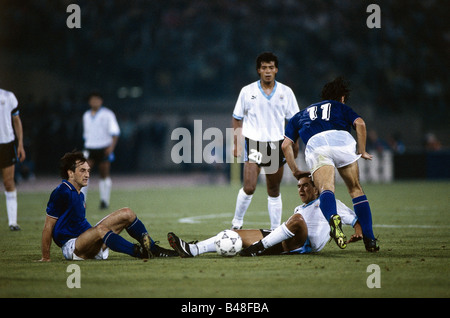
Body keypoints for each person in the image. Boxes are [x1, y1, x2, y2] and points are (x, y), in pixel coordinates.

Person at [281, 77, 379, 252]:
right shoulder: (341, 107)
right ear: (342, 97)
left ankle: (333, 218)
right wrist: (362, 150)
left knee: (326, 189)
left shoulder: (300, 115)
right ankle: (370, 239)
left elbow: (285, 145)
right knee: (355, 189)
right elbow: (360, 124)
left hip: (316, 145)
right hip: (341, 140)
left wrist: (295, 170)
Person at [167, 174, 362, 257]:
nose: (301, 190)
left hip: (305, 245)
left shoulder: (330, 203)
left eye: (305, 186)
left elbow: (354, 219)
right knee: (234, 234)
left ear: (316, 188)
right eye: (298, 187)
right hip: (288, 239)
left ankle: (258, 247)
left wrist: (360, 232)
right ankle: (193, 249)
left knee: (297, 221)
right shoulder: (298, 208)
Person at [39, 151, 177, 261]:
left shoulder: (79, 194)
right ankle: (140, 253)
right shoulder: (61, 191)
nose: (87, 175)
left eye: (88, 171)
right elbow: (48, 226)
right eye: (82, 170)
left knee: (127, 213)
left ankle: (152, 248)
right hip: (73, 247)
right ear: (70, 173)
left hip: (89, 241)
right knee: (100, 230)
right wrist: (46, 257)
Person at [231, 52, 300, 230]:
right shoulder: (247, 91)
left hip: (277, 145)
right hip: (254, 143)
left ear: (276, 69)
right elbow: (237, 118)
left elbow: (294, 121)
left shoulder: (286, 92)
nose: (267, 71)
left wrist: (296, 143)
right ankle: (236, 224)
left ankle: (275, 230)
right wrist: (237, 142)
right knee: (249, 187)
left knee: (274, 190)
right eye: (264, 68)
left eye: (271, 67)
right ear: (258, 71)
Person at [82, 91, 120, 209]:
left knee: (104, 174)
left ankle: (104, 201)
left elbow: (115, 132)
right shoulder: (86, 116)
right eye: (92, 100)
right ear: (89, 102)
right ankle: (81, 201)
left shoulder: (108, 114)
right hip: (90, 148)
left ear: (101, 101)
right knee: (83, 174)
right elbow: (86, 134)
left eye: (97, 99)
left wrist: (111, 147)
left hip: (103, 148)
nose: (95, 102)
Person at [0, 88, 26, 231]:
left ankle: (13, 222)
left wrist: (20, 144)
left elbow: (16, 120)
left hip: (6, 144)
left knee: (9, 182)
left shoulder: (8, 96)